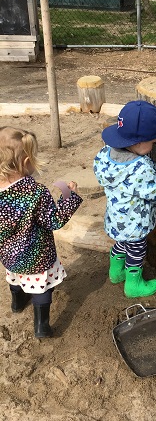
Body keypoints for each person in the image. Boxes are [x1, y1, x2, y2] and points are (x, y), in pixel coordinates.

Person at [93, 100, 156, 299]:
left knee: (120, 244)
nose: (154, 146)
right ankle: (133, 285)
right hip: (135, 225)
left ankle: (116, 273)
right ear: (140, 143)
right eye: (153, 142)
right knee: (137, 250)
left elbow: (145, 172)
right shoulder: (139, 168)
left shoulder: (105, 154)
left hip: (116, 219)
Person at [0, 126, 83, 337]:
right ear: (26, 162)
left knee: (15, 279)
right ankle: (41, 326)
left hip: (10, 255)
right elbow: (53, 221)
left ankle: (17, 304)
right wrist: (68, 196)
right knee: (41, 289)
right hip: (37, 256)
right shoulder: (36, 192)